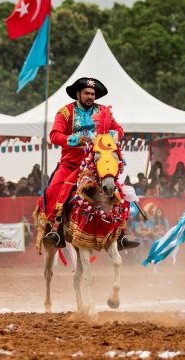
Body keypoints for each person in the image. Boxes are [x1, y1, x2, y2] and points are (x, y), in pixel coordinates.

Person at [39, 78, 138, 250]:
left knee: (119, 191)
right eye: (86, 93)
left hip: (96, 165)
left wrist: (107, 137)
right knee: (53, 189)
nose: (90, 96)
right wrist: (76, 139)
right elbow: (54, 135)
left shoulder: (103, 111)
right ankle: (55, 230)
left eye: (92, 94)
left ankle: (122, 233)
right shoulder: (66, 112)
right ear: (78, 94)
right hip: (70, 164)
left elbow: (119, 131)